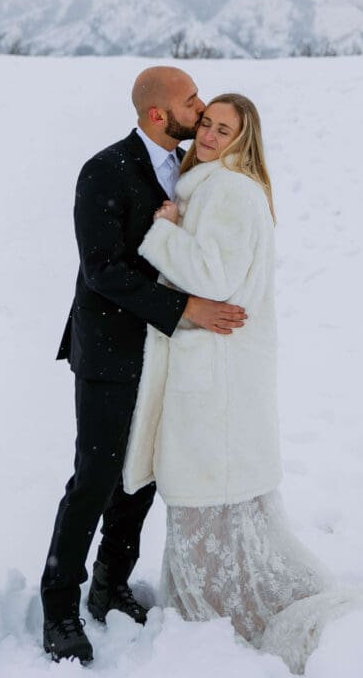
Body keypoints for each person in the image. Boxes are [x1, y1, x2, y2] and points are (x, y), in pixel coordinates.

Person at [124, 94, 352, 674]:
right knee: (214, 510)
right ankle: (209, 616)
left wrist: (164, 233)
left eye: (225, 128)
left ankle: (227, 630)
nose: (209, 133)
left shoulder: (227, 191)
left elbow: (214, 275)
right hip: (217, 371)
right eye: (206, 122)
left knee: (209, 503)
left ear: (243, 140)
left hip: (216, 377)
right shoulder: (214, 186)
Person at [41, 67, 248, 665]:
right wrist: (189, 307)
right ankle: (59, 605)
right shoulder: (103, 170)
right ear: (159, 115)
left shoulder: (194, 168)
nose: (201, 107)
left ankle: (110, 583)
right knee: (95, 479)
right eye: (190, 100)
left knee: (146, 475)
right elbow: (103, 270)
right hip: (109, 352)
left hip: (168, 351)